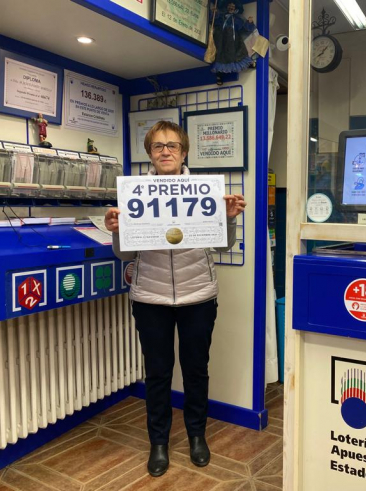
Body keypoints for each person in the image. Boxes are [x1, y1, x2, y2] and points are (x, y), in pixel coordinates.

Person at [104, 121, 246, 477]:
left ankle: (197, 436)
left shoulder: (205, 191)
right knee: (158, 374)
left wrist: (228, 219)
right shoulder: (135, 195)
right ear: (150, 155)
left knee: (196, 370)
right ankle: (159, 443)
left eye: (172, 145)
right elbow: (125, 256)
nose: (165, 151)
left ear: (184, 152)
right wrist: (117, 232)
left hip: (198, 295)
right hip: (150, 298)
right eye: (157, 146)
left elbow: (222, 244)